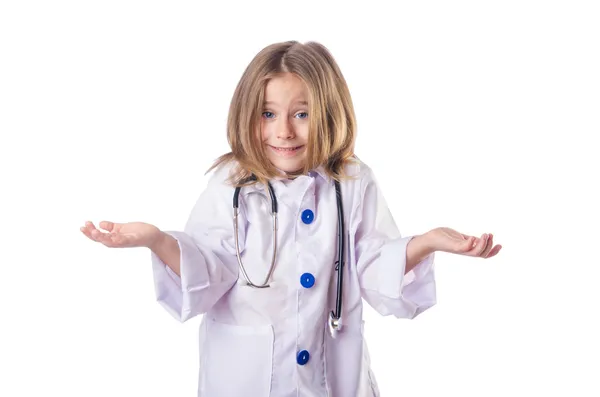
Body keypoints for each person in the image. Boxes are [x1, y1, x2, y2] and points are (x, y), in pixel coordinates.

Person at [80, 40, 501, 397]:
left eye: (301, 114)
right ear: (248, 115)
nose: (284, 132)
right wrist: (156, 240)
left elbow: (374, 266)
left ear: (329, 114)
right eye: (268, 114)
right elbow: (205, 267)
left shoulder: (352, 182)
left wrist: (425, 242)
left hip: (332, 377)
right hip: (244, 378)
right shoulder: (231, 184)